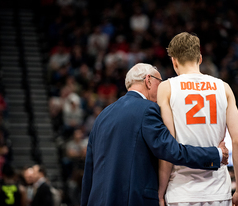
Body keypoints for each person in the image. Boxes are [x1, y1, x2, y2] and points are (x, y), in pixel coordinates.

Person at [81, 63, 229, 206]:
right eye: (160, 82)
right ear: (148, 80)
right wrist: (215, 154)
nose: (162, 88)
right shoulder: (148, 109)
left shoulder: (102, 116)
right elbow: (172, 151)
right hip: (134, 200)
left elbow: (89, 170)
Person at [158, 32, 238, 206]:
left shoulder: (166, 88)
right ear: (199, 58)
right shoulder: (224, 88)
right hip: (219, 192)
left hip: (181, 193)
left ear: (174, 61)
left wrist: (160, 192)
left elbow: (168, 145)